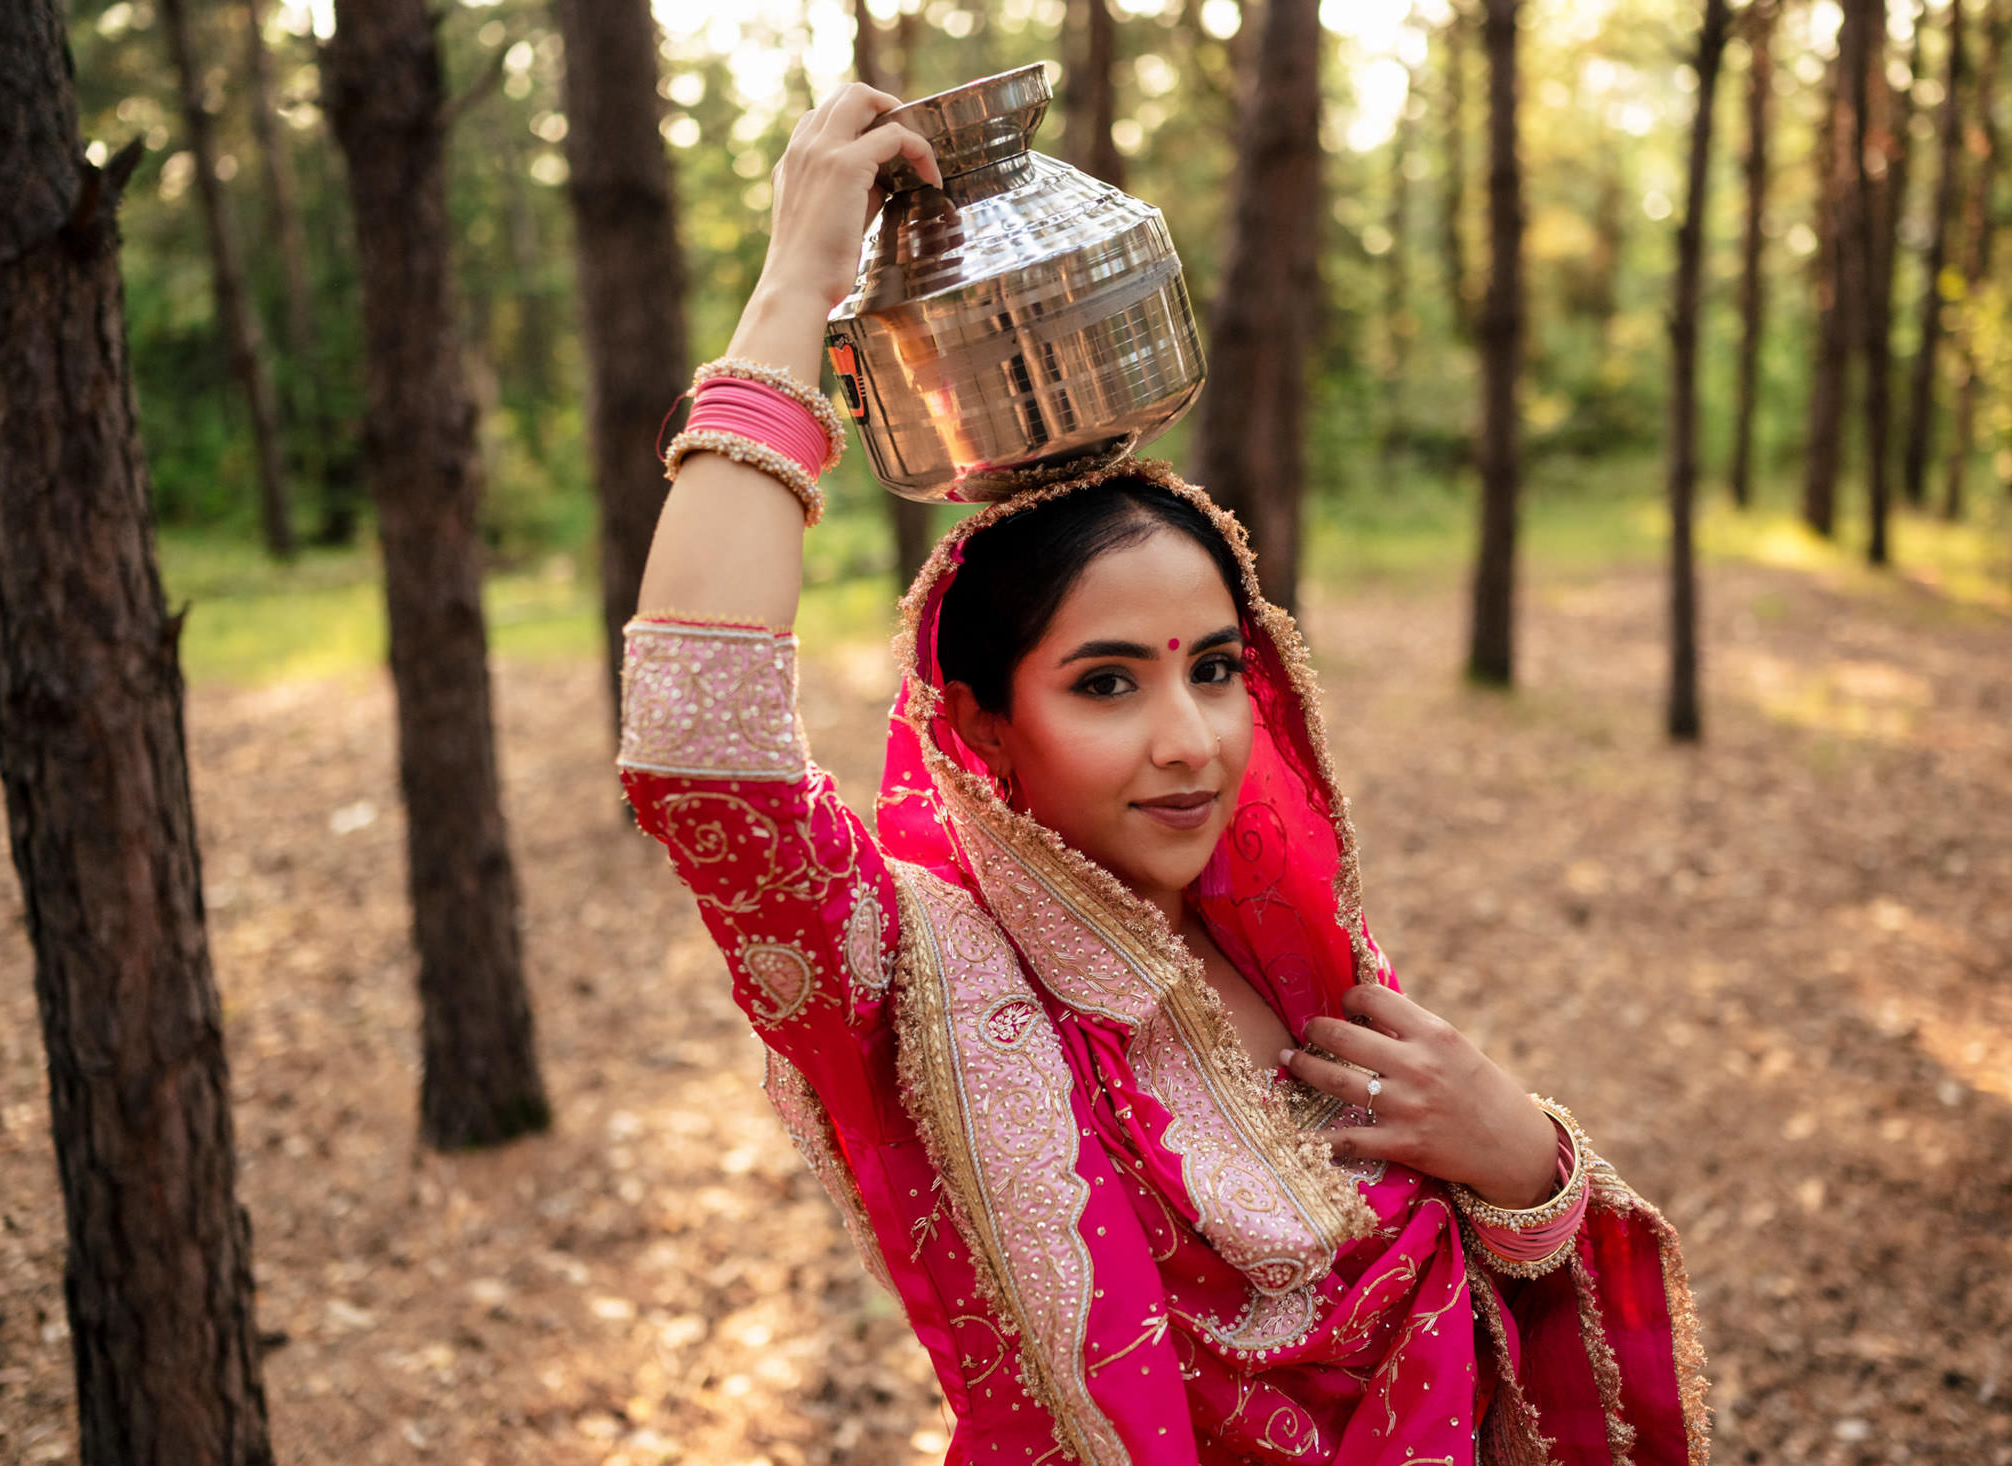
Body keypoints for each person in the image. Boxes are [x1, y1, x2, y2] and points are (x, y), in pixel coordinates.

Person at [619, 83, 1708, 1466]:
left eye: (1209, 666)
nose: (1191, 738)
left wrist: (1524, 1164)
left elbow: (1515, 1334)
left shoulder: (1300, 949)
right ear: (979, 720)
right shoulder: (913, 985)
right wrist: (792, 286)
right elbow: (704, 758)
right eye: (1105, 681)